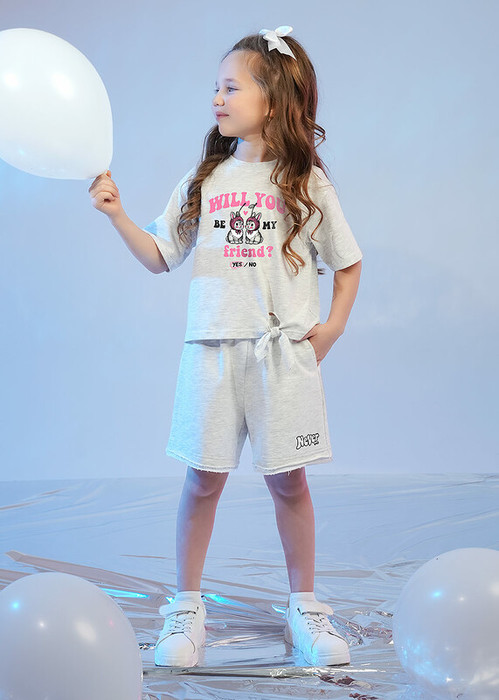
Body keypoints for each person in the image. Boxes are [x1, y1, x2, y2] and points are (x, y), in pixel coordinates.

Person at [88, 25, 362, 669]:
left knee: (290, 482)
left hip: (280, 356)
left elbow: (348, 263)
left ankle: (304, 607)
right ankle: (186, 608)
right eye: (216, 87)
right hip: (210, 354)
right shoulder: (205, 177)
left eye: (231, 87)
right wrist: (118, 215)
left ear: (273, 100)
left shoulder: (305, 181)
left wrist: (332, 328)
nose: (217, 98)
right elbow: (161, 255)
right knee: (202, 480)